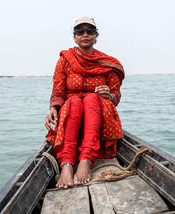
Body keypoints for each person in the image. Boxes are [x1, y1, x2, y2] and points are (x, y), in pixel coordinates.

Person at [44, 17, 124, 189]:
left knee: (91, 99)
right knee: (75, 102)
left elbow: (116, 96)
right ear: (74, 37)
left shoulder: (107, 63)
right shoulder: (65, 59)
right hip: (72, 114)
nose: (85, 35)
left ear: (96, 36)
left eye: (90, 31)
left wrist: (109, 96)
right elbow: (58, 91)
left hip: (99, 117)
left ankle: (85, 160)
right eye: (80, 32)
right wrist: (53, 108)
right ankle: (67, 164)